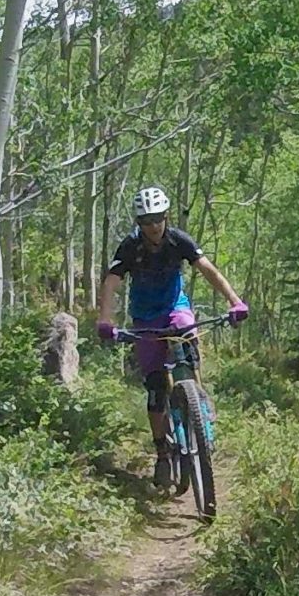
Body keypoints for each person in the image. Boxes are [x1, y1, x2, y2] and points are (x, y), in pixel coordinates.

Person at [94, 186, 247, 487]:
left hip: (175, 308)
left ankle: (199, 402)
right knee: (155, 390)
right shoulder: (130, 247)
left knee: (187, 338)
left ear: (166, 216)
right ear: (139, 222)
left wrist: (235, 301)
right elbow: (112, 281)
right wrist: (105, 319)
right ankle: (162, 452)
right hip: (145, 318)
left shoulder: (179, 241)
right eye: (146, 220)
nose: (153, 225)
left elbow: (208, 270)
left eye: (158, 218)